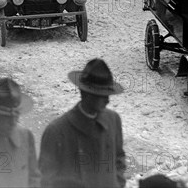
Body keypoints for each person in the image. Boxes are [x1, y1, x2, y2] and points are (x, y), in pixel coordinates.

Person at [39, 58, 126, 188]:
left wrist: (118, 183)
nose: (107, 100)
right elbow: (45, 180)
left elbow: (119, 159)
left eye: (108, 94)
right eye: (101, 95)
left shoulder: (113, 120)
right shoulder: (57, 131)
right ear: (85, 94)